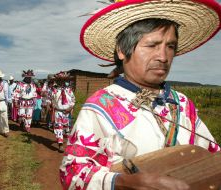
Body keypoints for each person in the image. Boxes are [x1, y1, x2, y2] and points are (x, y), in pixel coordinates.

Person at [60, 0, 221, 189]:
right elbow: (71, 175)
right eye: (152, 45)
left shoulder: (182, 104)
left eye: (170, 46)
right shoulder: (101, 107)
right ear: (122, 50)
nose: (163, 56)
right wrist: (121, 182)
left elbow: (211, 158)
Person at [52, 71, 75, 152]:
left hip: (67, 112)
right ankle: (60, 145)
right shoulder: (54, 91)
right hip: (58, 112)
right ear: (57, 81)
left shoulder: (69, 90)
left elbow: (73, 100)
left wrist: (70, 108)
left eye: (63, 80)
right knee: (59, 128)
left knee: (67, 129)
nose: (62, 82)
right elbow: (51, 101)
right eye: (60, 80)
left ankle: (68, 143)